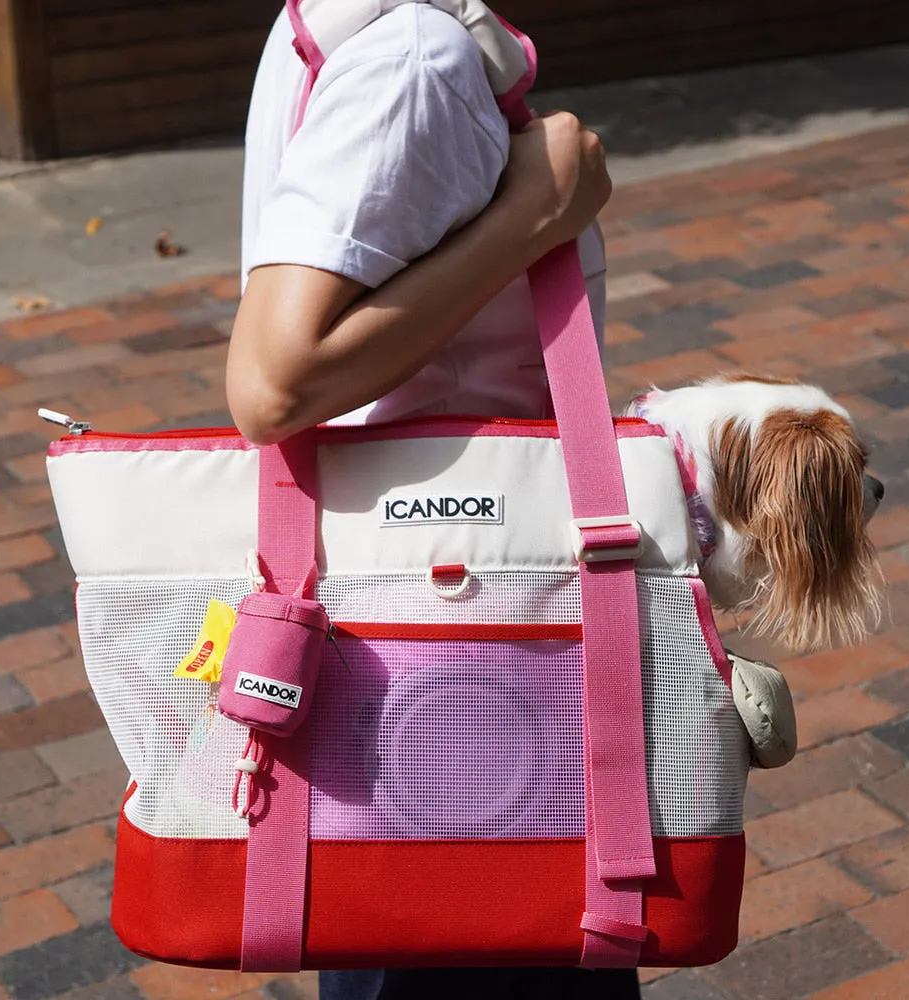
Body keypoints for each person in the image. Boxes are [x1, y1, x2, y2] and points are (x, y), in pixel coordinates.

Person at [227, 4, 638, 999]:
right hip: (464, 643)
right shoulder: (415, 53)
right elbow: (273, 383)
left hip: (401, 628)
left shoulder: (336, 24)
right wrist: (537, 213)